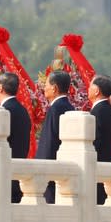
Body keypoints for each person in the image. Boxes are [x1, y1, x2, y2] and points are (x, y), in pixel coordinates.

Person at [35, 70, 74, 204]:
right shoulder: (70, 107)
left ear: (55, 88)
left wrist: (40, 168)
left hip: (50, 171)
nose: (44, 88)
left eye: (46, 84)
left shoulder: (55, 109)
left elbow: (49, 142)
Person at [0, 72, 31, 203]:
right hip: (17, 174)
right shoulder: (22, 111)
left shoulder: (3, 112)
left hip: (3, 175)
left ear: (0, 88)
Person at [88, 74, 111, 205]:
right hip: (106, 170)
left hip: (95, 171)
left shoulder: (97, 112)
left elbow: (95, 143)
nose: (88, 88)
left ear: (96, 91)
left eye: (90, 86)